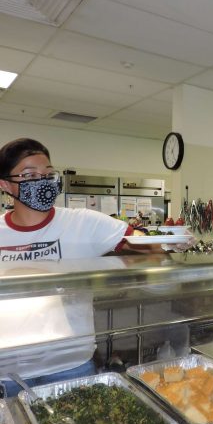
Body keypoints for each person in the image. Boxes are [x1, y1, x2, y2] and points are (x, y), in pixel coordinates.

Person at [0, 137, 168, 396]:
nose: (42, 181)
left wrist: (167, 243)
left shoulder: (83, 223)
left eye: (48, 174)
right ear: (5, 185)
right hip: (7, 369)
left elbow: (147, 246)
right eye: (29, 174)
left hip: (70, 363)